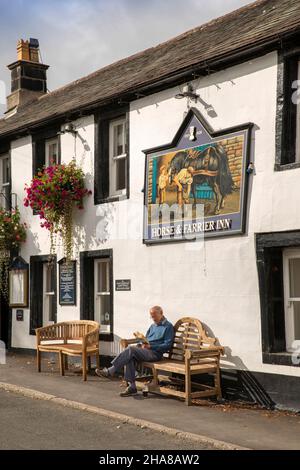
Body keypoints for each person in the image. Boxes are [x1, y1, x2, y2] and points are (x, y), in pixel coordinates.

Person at [95, 306, 174, 397]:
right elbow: (146, 339)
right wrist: (142, 343)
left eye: (155, 316)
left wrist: (151, 346)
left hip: (156, 354)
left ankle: (110, 371)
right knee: (130, 357)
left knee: (131, 350)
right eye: (151, 317)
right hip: (146, 351)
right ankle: (132, 387)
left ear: (161, 313)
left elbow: (167, 345)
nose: (153, 319)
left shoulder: (168, 327)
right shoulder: (152, 326)